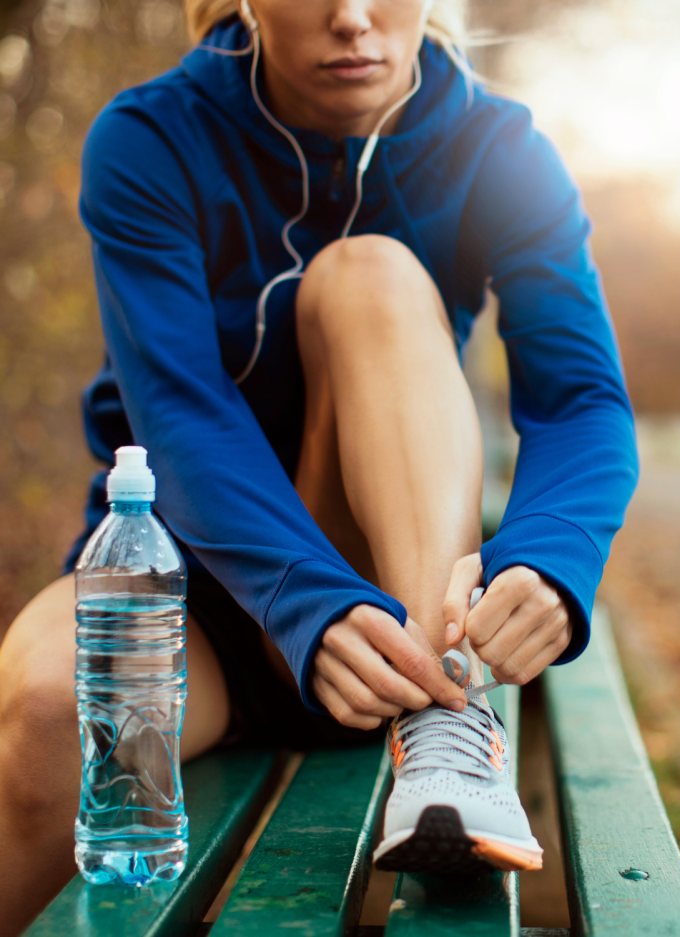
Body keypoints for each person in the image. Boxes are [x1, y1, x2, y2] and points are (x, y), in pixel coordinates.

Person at [0, 0, 638, 929]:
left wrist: (552, 557)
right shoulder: (151, 137)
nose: (350, 17)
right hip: (204, 594)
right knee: (56, 710)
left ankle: (448, 729)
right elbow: (179, 411)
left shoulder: (498, 150)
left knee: (367, 272)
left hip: (402, 610)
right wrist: (302, 602)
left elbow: (581, 397)